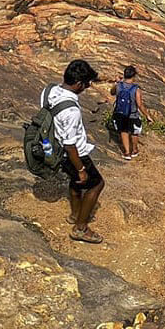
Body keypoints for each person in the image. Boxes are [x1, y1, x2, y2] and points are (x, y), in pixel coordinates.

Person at [47, 59, 104, 243]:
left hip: (56, 149)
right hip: (75, 154)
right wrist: (80, 168)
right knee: (96, 184)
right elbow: (70, 144)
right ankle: (80, 227)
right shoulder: (71, 111)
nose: (87, 87)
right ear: (79, 84)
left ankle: (74, 214)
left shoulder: (50, 90)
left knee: (75, 182)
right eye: (87, 84)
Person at [111, 65, 150, 161]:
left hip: (120, 113)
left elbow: (112, 92)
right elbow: (140, 104)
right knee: (134, 132)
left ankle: (127, 153)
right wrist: (147, 116)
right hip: (132, 114)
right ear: (134, 76)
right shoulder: (136, 89)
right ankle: (134, 150)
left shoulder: (119, 85)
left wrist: (117, 83)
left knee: (124, 131)